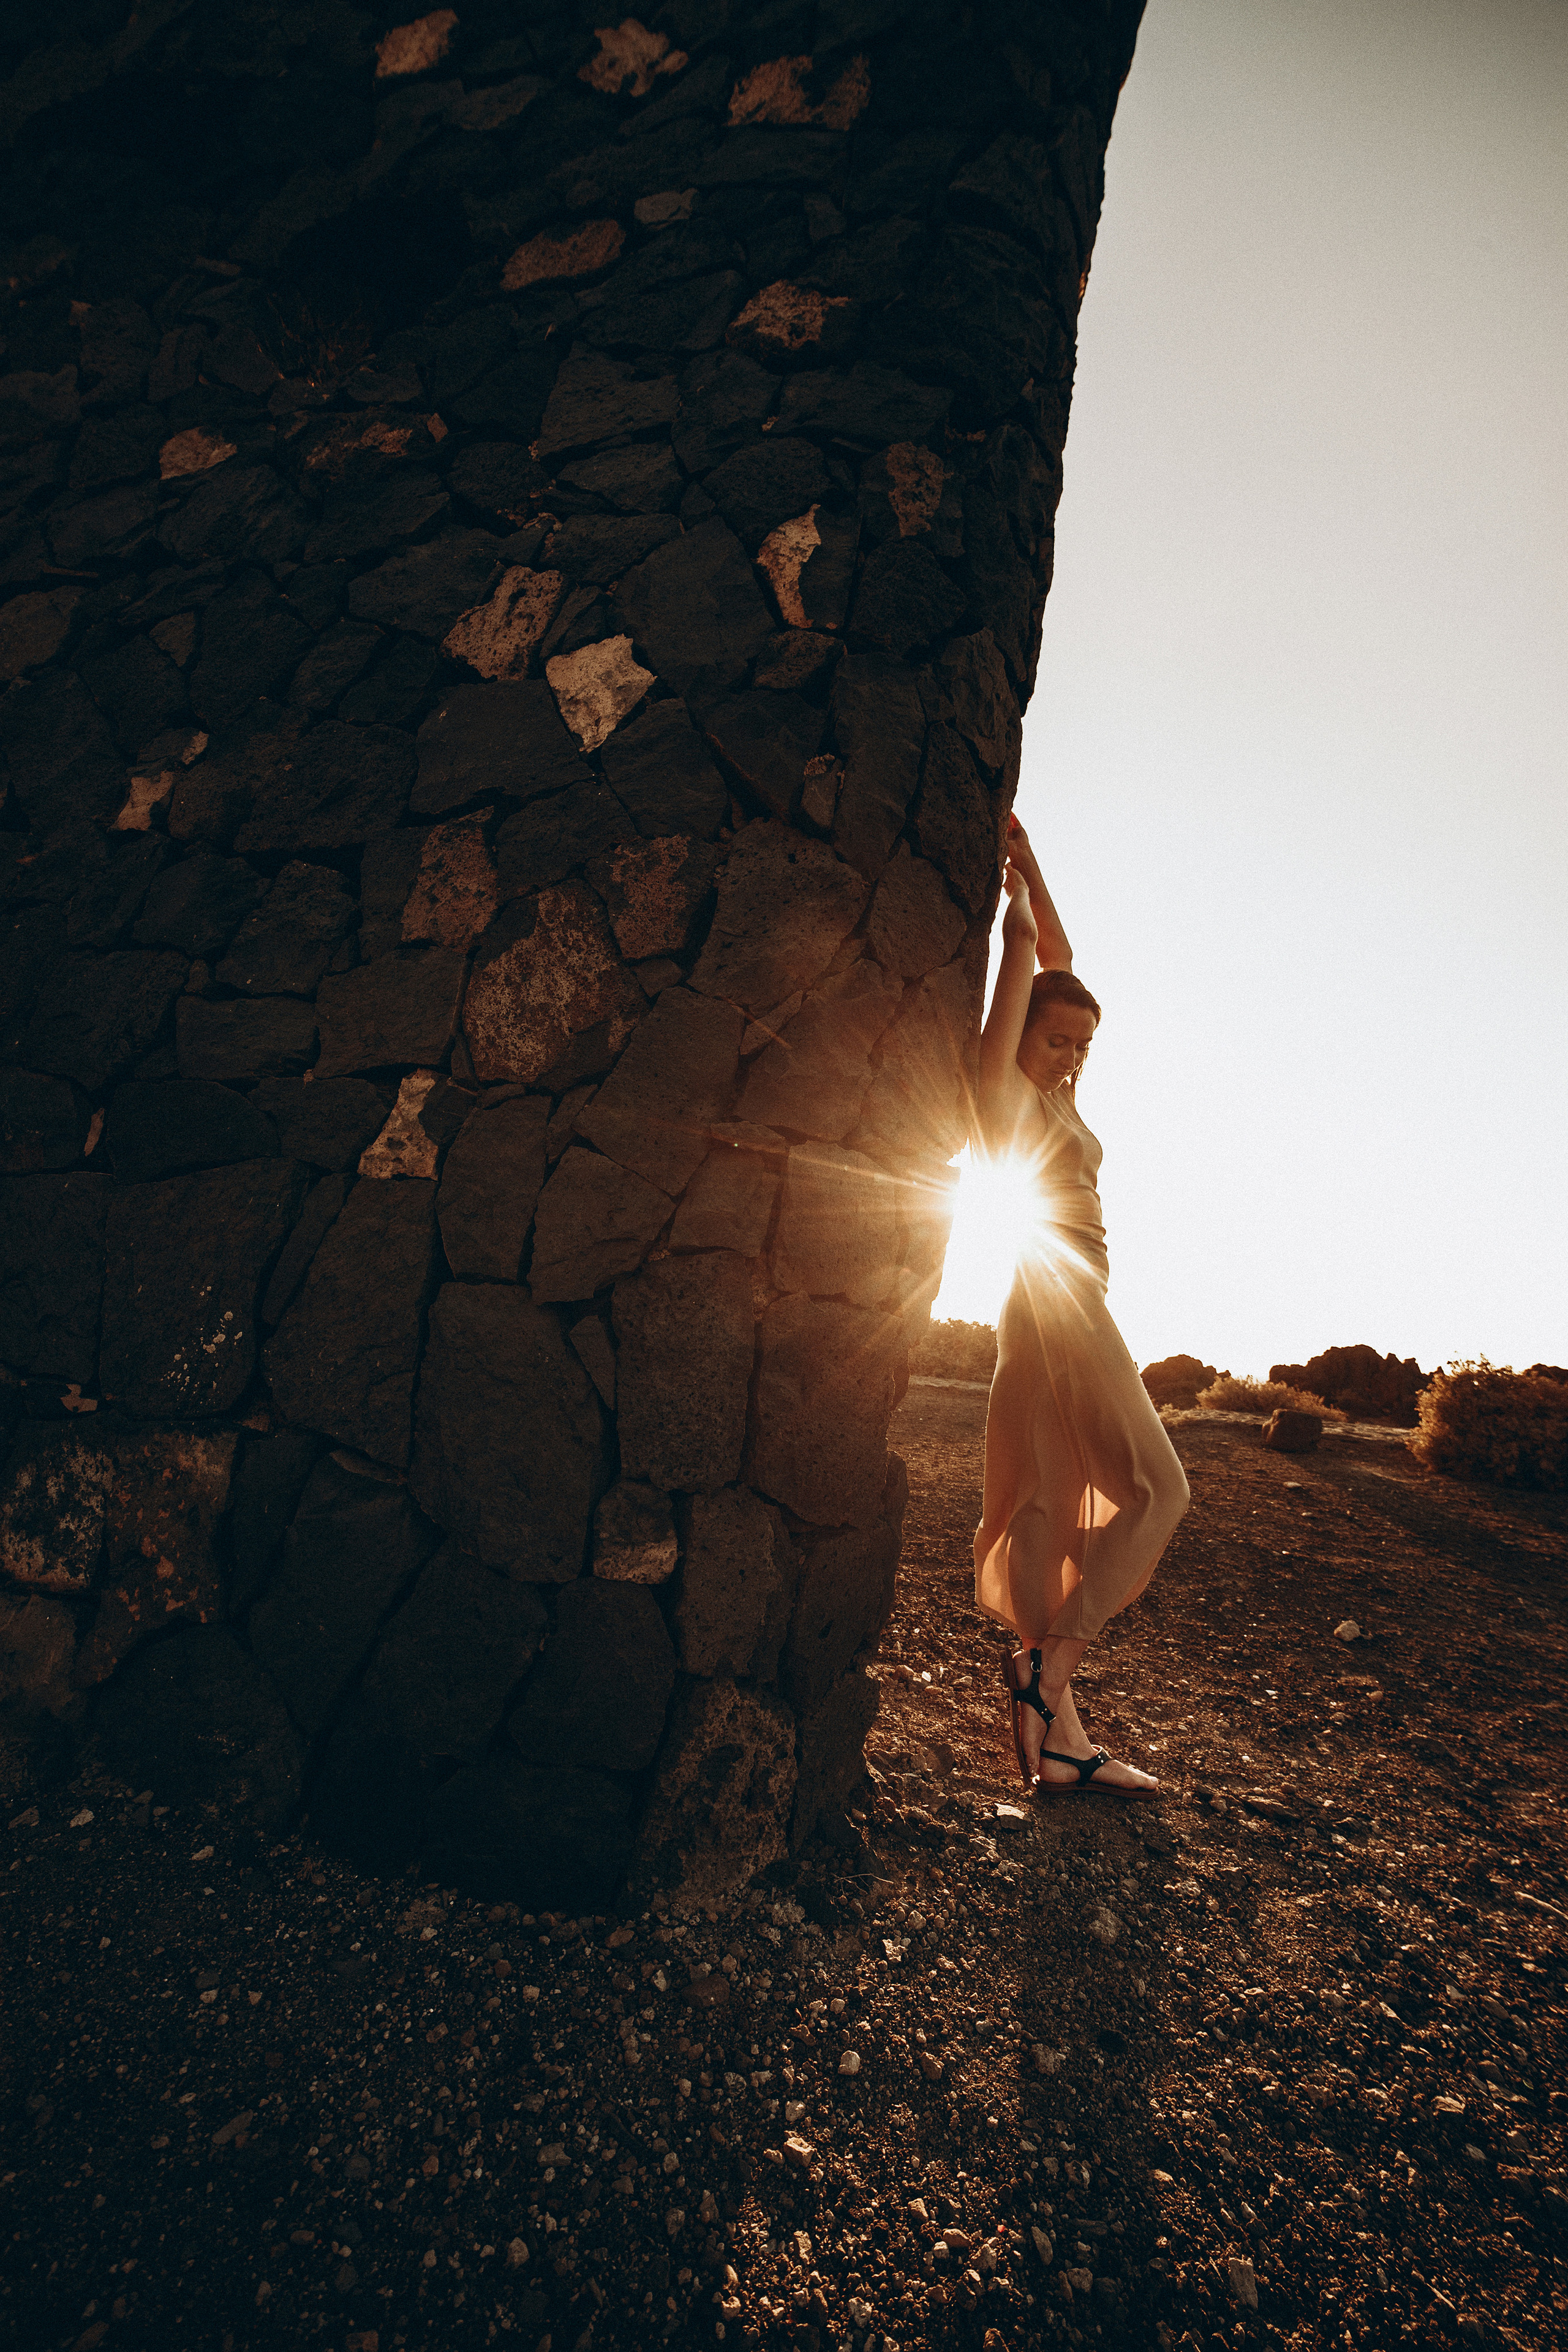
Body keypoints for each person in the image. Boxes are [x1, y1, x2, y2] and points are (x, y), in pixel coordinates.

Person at [972, 813, 1189, 1796]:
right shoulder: (1003, 1090)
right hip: (1058, 1291)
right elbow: (1032, 958)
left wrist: (1032, 864)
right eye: (1059, 1038)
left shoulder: (1053, 1095)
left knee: (1052, 1504)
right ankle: (1051, 1672)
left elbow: (1058, 959)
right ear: (1021, 1029)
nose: (1072, 1056)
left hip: (1049, 1297)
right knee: (1160, 1487)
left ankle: (1061, 1739)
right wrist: (1013, 911)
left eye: (1085, 1045)